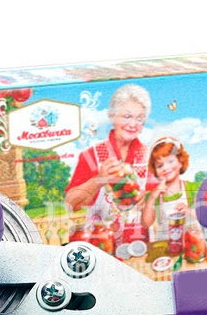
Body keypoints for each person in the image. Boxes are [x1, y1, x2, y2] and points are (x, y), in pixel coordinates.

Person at [65, 84, 151, 225]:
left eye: (139, 119)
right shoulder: (91, 156)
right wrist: (99, 180)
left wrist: (150, 199)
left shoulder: (150, 156)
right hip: (101, 236)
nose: (133, 124)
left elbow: (165, 197)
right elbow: (71, 204)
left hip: (139, 237)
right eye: (127, 116)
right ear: (112, 117)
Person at [142, 137, 193, 242]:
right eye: (160, 166)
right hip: (164, 245)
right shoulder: (154, 195)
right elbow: (146, 223)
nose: (165, 168)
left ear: (180, 162)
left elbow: (206, 217)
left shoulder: (192, 188)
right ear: (155, 170)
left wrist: (189, 211)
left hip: (189, 243)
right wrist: (152, 198)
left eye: (170, 161)